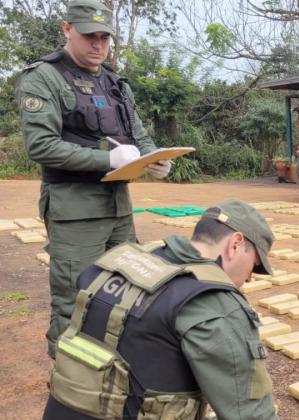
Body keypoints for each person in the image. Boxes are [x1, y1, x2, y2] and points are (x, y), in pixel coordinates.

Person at [15, 0, 172, 358]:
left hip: (118, 209)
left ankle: (113, 377)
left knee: (128, 292)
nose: (99, 45)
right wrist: (107, 158)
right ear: (67, 29)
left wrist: (155, 160)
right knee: (75, 300)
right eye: (90, 36)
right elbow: (41, 146)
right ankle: (68, 390)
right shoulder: (44, 78)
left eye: (105, 37)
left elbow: (139, 133)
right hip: (75, 212)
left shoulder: (115, 82)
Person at [43, 199, 279, 419]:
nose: (249, 278)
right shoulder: (214, 305)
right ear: (236, 244)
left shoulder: (120, 260)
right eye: (254, 265)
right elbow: (250, 413)